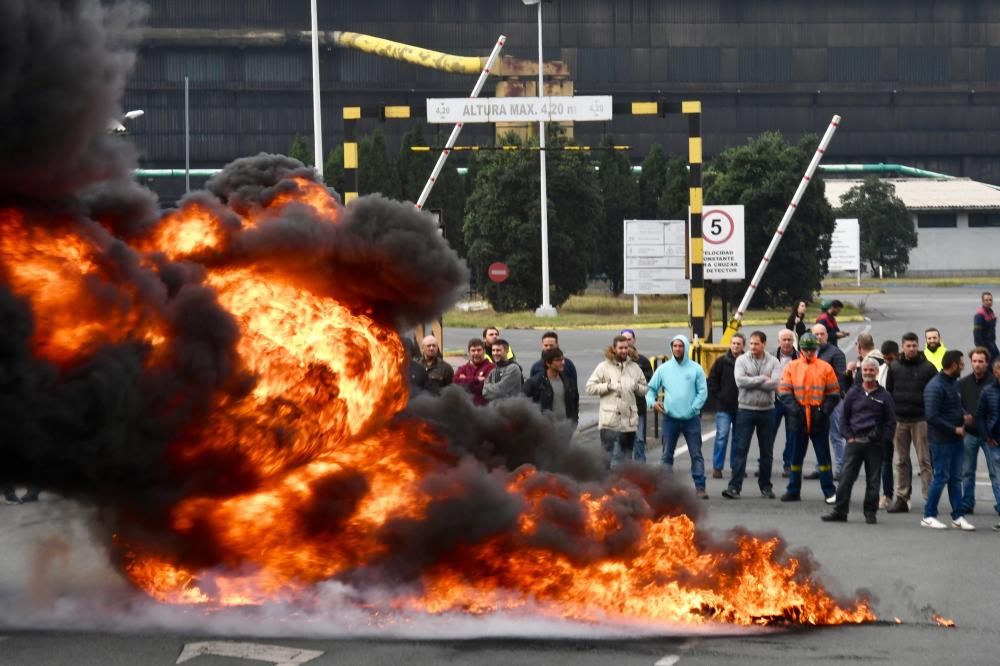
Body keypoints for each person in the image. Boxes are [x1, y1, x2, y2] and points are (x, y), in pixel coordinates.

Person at [821, 357, 897, 524]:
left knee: (874, 480)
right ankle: (840, 511)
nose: (868, 373)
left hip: (874, 445)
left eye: (871, 370)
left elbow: (891, 422)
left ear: (877, 372)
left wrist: (883, 440)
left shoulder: (885, 396)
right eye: (865, 370)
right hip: (854, 442)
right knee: (846, 479)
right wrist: (849, 437)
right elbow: (843, 418)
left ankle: (870, 512)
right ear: (860, 372)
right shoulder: (853, 394)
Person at [777, 332, 840, 503]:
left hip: (818, 415)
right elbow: (784, 392)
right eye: (807, 349)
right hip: (798, 415)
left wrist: (824, 411)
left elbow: (834, 393)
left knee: (823, 457)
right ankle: (793, 490)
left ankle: (829, 491)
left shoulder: (825, 367)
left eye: (812, 349)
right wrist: (795, 409)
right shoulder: (792, 367)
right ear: (801, 349)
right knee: (795, 457)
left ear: (817, 349)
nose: (810, 352)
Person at [646, 334, 709, 499]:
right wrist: (652, 403)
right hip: (670, 419)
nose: (677, 349)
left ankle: (700, 486)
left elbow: (703, 392)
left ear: (686, 347)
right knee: (667, 454)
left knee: (696, 454)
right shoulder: (664, 369)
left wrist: (693, 408)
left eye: (681, 346)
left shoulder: (696, 368)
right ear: (671, 348)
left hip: (691, 420)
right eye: (675, 346)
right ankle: (665, 487)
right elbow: (650, 390)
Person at [921, 350, 976, 530]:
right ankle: (928, 515)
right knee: (941, 477)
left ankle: (958, 516)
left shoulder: (953, 383)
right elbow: (932, 416)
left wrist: (964, 415)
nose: (963, 366)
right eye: (961, 363)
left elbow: (956, 405)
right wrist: (955, 428)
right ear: (952, 365)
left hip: (955, 439)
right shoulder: (934, 386)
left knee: (955, 478)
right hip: (941, 440)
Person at [723, 331, 780, 499]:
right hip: (745, 410)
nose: (753, 347)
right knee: (740, 449)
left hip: (767, 411)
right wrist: (762, 379)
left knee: (766, 452)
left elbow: (775, 383)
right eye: (751, 343)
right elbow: (740, 381)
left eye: (756, 344)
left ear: (764, 344)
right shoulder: (741, 360)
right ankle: (734, 487)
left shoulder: (773, 361)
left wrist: (752, 380)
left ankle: (766, 486)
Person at [885, 332, 938, 513]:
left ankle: (930, 498)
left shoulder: (928, 368)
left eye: (914, 345)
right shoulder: (894, 367)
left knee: (924, 460)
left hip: (921, 420)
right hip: (900, 420)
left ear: (918, 346)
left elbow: (935, 393)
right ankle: (902, 497)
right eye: (908, 346)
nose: (911, 349)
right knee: (901, 461)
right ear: (902, 347)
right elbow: (889, 393)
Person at [586, 335, 648, 468]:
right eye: (620, 348)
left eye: (626, 348)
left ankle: (624, 486)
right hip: (609, 421)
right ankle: (604, 485)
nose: (624, 351)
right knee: (606, 458)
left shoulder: (635, 368)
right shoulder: (603, 367)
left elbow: (644, 389)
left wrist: (636, 387)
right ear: (614, 349)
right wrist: (607, 387)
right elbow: (589, 388)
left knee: (627, 459)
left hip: (629, 422)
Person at [960, 347, 1000, 516]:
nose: (977, 365)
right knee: (967, 471)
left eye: (980, 361)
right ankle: (967, 503)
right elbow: (956, 404)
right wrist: (963, 416)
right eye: (974, 361)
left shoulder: (994, 383)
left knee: (995, 472)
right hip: (970, 434)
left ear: (987, 363)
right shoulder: (962, 383)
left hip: (990, 437)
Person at [804, 323, 846, 480]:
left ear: (827, 336)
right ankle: (820, 467)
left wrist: (833, 398)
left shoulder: (836, 353)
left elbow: (841, 378)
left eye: (822, 334)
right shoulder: (810, 354)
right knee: (819, 436)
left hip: (833, 401)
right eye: (816, 334)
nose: (819, 337)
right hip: (815, 401)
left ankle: (841, 469)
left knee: (836, 436)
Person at [707, 334, 744, 479]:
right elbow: (712, 380)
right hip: (724, 407)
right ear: (730, 345)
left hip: (742, 407)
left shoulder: (747, 361)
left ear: (743, 346)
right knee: (721, 436)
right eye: (734, 343)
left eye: (739, 344)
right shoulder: (721, 362)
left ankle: (736, 466)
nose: (736, 346)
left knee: (738, 439)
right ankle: (717, 467)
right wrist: (719, 396)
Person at [620, 328, 654, 462]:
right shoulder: (612, 362)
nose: (627, 342)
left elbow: (648, 383)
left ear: (634, 340)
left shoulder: (643, 361)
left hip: (638, 408)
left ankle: (640, 469)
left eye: (629, 339)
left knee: (639, 440)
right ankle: (625, 469)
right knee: (622, 441)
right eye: (624, 339)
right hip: (620, 410)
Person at [524, 347, 579, 427]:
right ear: (548, 363)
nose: (562, 362)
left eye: (562, 359)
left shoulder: (568, 382)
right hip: (544, 431)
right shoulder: (535, 382)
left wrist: (574, 422)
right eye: (558, 360)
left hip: (565, 430)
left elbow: (575, 403)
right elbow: (524, 404)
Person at [975, 358, 1000, 531]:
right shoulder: (988, 391)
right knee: (998, 479)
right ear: (995, 372)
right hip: (996, 442)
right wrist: (987, 435)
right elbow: (980, 416)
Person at [772, 329, 799, 477]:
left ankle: (788, 464)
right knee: (769, 435)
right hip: (775, 401)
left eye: (790, 339)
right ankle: (765, 463)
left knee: (792, 435)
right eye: (784, 339)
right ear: (779, 342)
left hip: (793, 402)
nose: (787, 342)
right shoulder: (771, 358)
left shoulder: (799, 358)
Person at [878, 339, 900, 508]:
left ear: (897, 355)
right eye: (885, 358)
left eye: (890, 358)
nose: (887, 362)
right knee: (885, 460)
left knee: (902, 461)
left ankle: (903, 495)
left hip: (902, 420)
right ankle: (887, 494)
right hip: (883, 421)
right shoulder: (881, 370)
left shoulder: (901, 370)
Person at [453, 338, 496, 406]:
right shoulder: (463, 368)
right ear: (469, 352)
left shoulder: (492, 368)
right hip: (465, 409)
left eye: (479, 350)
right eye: (473, 350)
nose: (476, 353)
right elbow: (455, 382)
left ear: (484, 351)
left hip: (485, 410)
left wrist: (465, 379)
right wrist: (477, 379)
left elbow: (486, 388)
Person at [973, 291, 998, 361]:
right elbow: (977, 334)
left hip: (992, 343)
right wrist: (981, 350)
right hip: (985, 345)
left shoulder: (991, 312)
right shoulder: (980, 315)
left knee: (997, 361)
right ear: (983, 301)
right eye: (986, 300)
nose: (989, 302)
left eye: (990, 300)